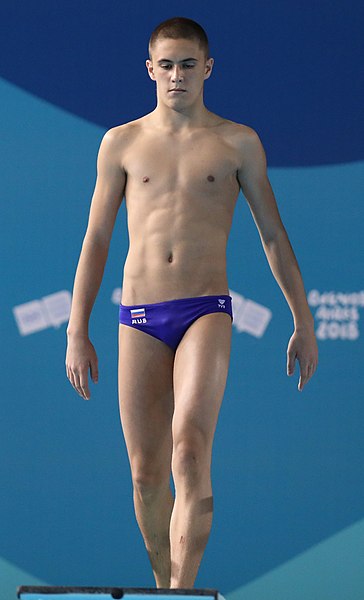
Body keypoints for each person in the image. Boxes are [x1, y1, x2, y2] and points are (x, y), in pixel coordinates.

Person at [65, 16, 318, 589]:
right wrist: (76, 329)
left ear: (207, 68)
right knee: (147, 476)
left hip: (205, 309)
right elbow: (97, 240)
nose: (176, 76)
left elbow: (274, 236)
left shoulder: (238, 143)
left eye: (187, 64)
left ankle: (183, 592)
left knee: (189, 450)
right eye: (167, 65)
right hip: (139, 317)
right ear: (149, 69)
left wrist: (303, 320)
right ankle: (162, 583)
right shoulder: (121, 143)